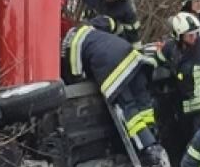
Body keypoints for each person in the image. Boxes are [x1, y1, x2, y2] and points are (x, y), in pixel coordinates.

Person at [62, 16, 158, 153]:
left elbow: (76, 75)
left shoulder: (73, 45)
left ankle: (147, 147)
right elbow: (111, 22)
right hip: (131, 56)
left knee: (128, 109)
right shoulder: (90, 29)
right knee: (142, 99)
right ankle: (153, 134)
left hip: (113, 70)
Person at [64, 0, 141, 47]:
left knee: (108, 21)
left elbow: (134, 36)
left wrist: (137, 52)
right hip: (87, 25)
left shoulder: (126, 9)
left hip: (111, 38)